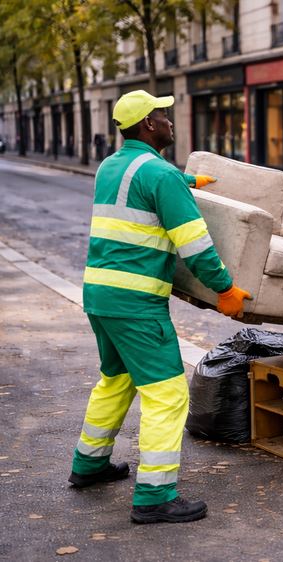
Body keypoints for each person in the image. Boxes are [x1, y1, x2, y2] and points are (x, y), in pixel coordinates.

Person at [68, 90, 252, 523]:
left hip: (100, 296)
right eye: (164, 116)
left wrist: (185, 182)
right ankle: (155, 497)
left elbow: (143, 186)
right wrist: (225, 290)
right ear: (148, 124)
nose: (170, 121)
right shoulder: (160, 175)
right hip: (136, 304)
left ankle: (89, 465)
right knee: (167, 394)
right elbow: (196, 245)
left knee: (115, 380)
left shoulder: (111, 166)